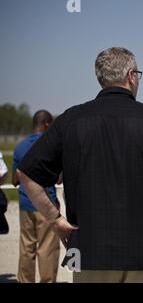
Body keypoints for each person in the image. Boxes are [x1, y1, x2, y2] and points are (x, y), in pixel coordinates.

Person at [17, 47, 143, 283]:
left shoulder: (70, 120)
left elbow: (26, 173)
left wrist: (55, 219)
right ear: (131, 76)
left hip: (90, 255)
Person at [12, 111, 60, 283]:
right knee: (47, 248)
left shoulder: (19, 147)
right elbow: (59, 177)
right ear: (47, 124)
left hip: (25, 203)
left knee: (26, 247)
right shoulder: (49, 145)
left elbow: (14, 180)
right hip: (46, 204)